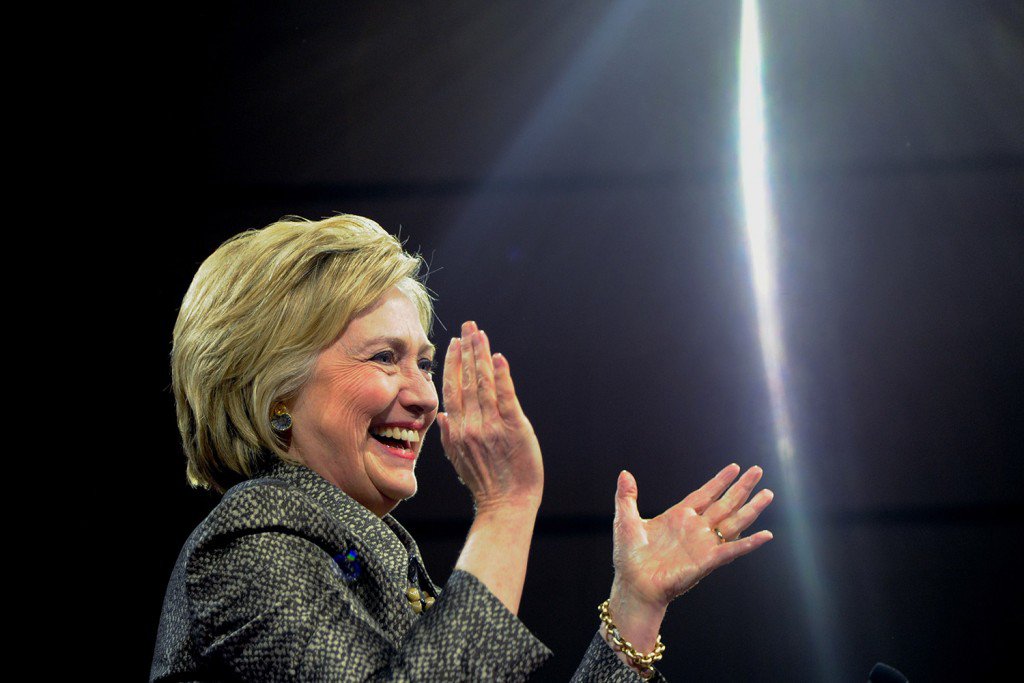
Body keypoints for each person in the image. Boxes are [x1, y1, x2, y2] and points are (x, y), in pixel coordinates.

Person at [151, 214, 775, 681]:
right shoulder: (248, 546)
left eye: (422, 363)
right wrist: (505, 506)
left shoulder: (374, 561)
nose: (425, 397)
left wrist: (634, 605)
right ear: (275, 392)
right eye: (383, 358)